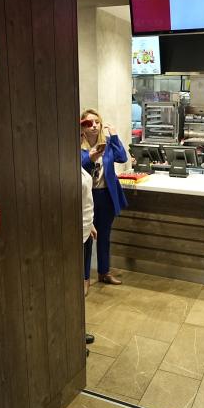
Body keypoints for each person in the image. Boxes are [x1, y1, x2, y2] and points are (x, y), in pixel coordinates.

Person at [81, 109, 128, 290]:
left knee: (104, 236)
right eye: (88, 123)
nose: (93, 126)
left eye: (96, 122)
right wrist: (91, 159)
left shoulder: (107, 144)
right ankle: (84, 278)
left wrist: (114, 136)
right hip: (87, 197)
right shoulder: (77, 146)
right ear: (81, 127)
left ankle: (104, 272)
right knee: (86, 238)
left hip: (106, 195)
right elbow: (78, 169)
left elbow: (122, 157)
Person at [81, 166, 97, 350]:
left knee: (79, 287)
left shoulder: (77, 162)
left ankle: (78, 329)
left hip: (85, 232)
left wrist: (91, 223)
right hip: (73, 233)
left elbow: (85, 201)